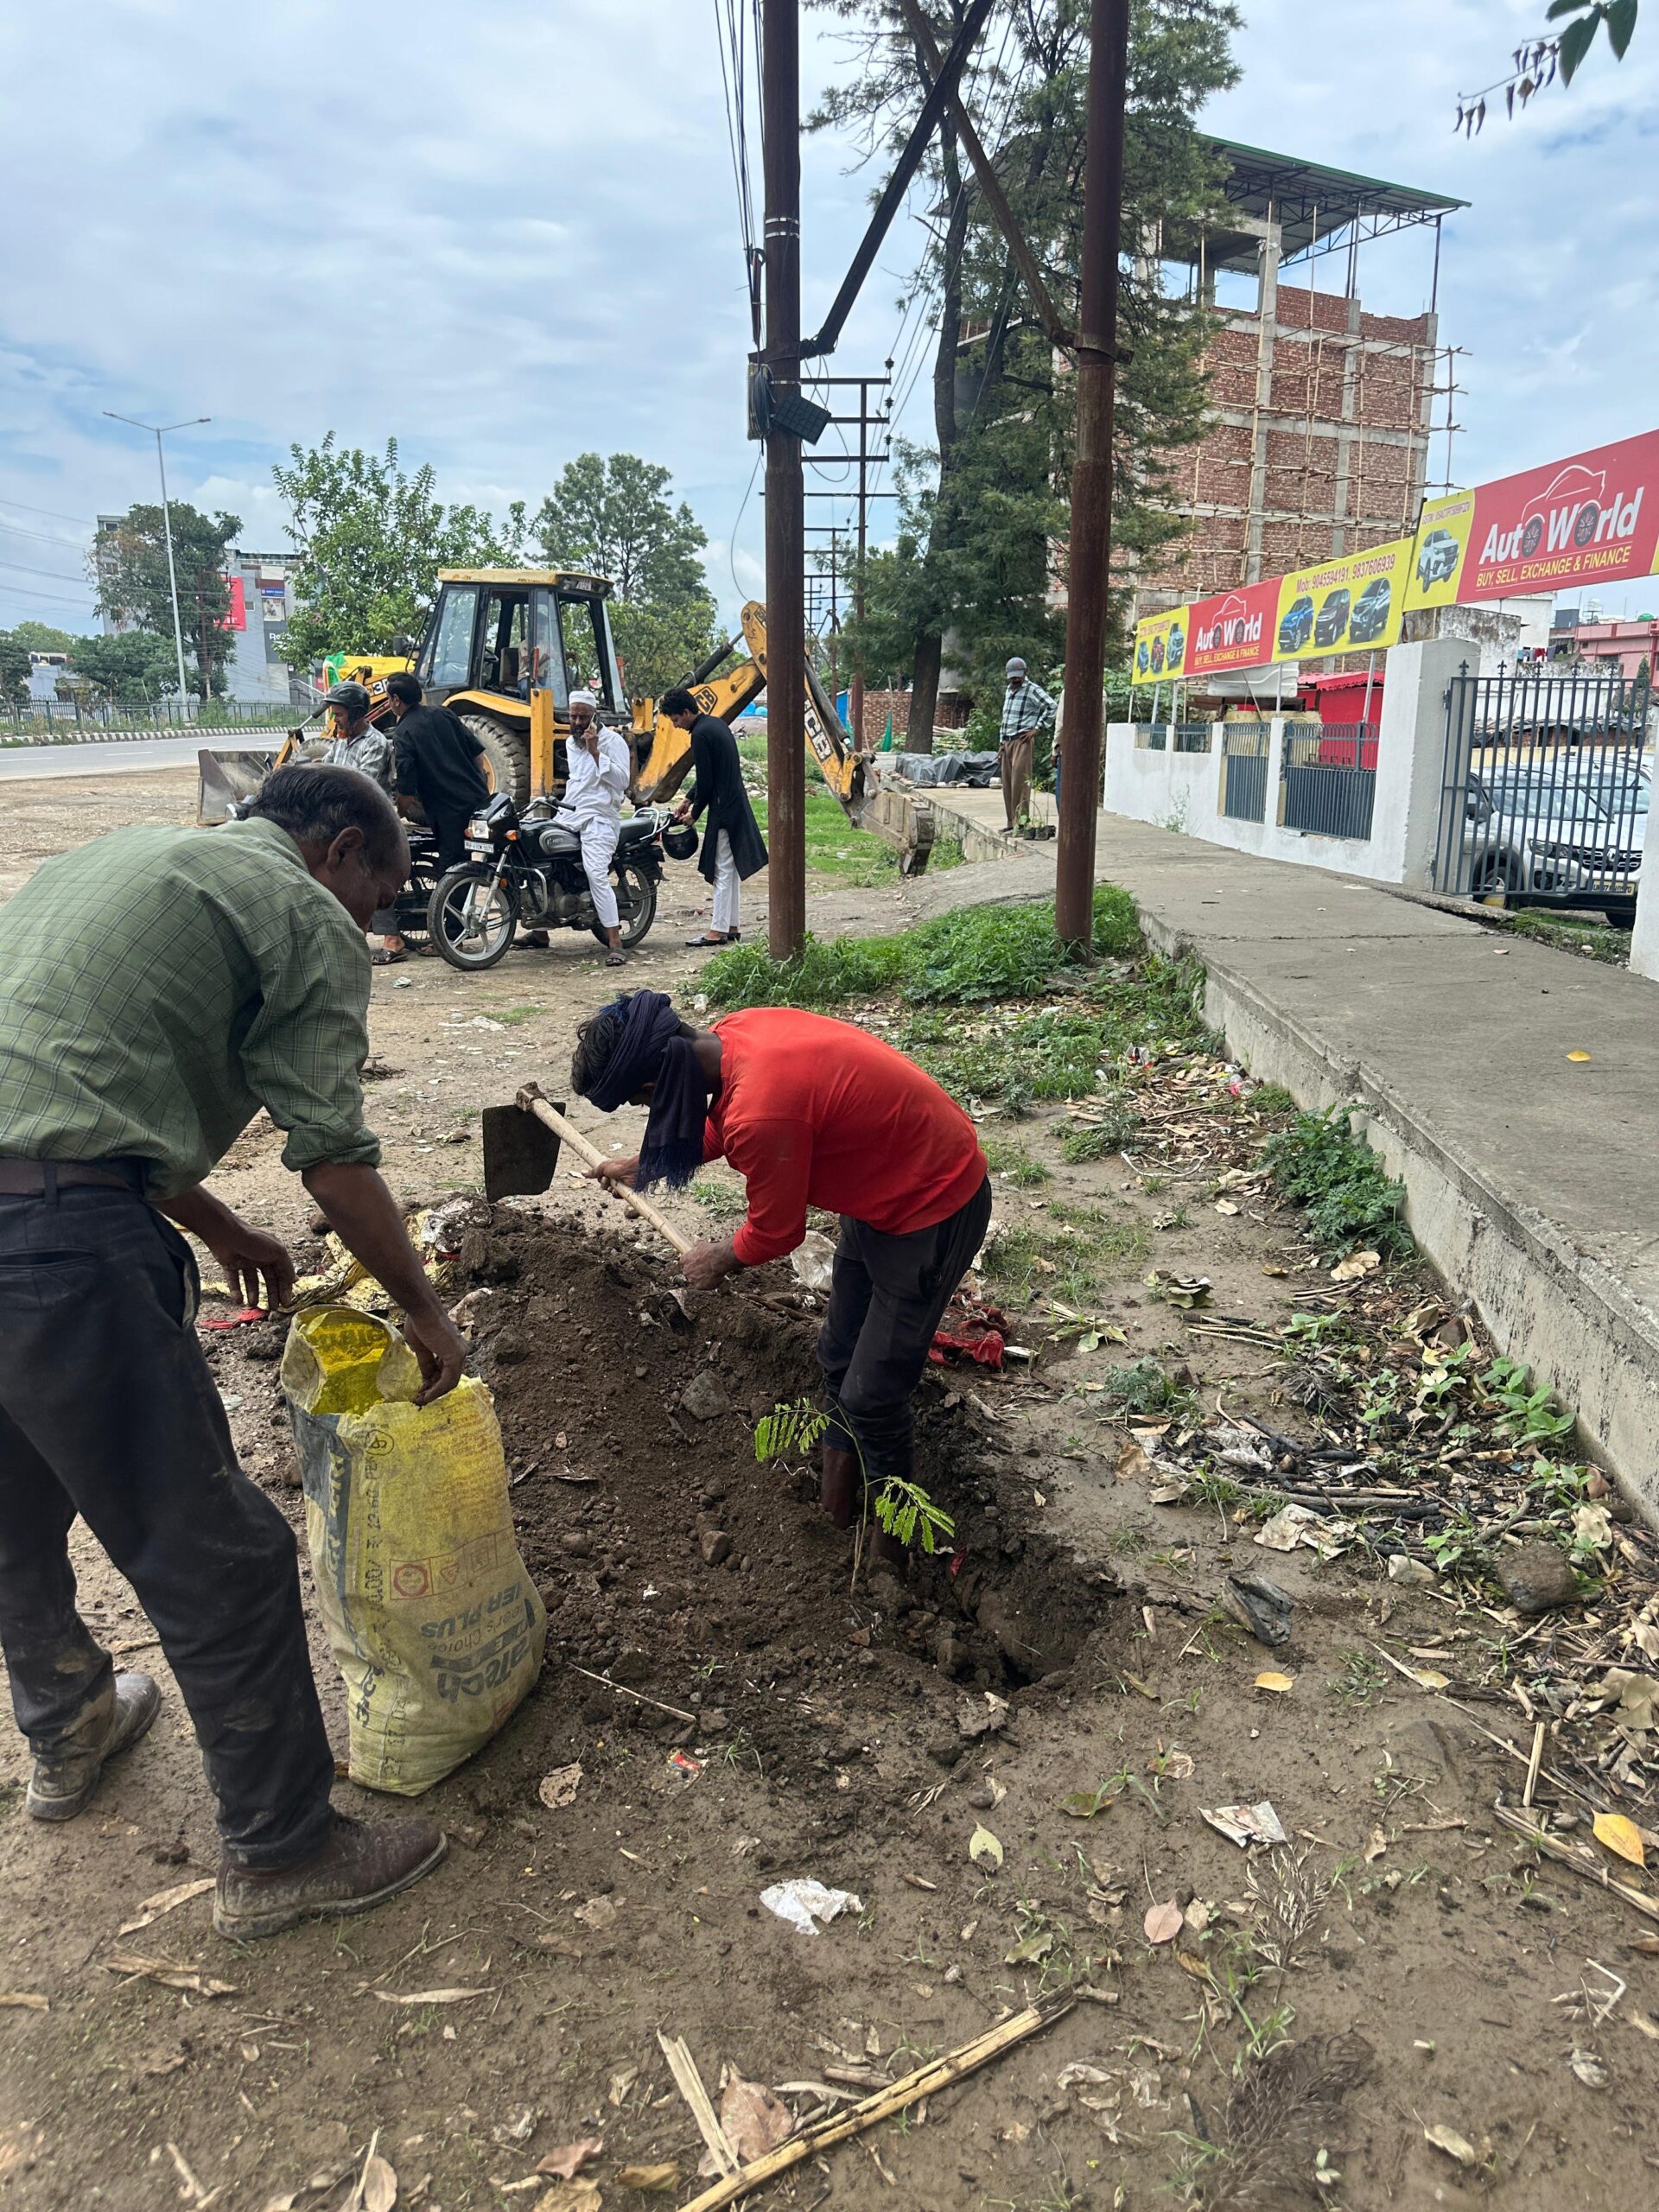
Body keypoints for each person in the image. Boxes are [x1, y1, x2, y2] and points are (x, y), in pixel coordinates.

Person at [0, 764, 469, 1942]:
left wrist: (216, 1225)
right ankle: (284, 1852)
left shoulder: (117, 859)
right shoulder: (303, 910)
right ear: (344, 852)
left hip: (41, 1208)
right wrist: (425, 1308)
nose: (369, 920)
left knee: (9, 1510)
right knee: (221, 1558)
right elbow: (335, 1158)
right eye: (381, 895)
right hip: (56, 1251)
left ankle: (68, 1725)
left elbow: (74, 1094)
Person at [570, 991, 990, 1553]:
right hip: (885, 1187)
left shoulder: (761, 1110)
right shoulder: (733, 1037)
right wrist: (643, 1165)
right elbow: (722, 1127)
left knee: (873, 1398)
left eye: (643, 1106)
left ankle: (894, 1551)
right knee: (839, 1360)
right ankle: (835, 1516)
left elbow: (777, 1232)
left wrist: (718, 1257)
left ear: (656, 1087)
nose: (649, 1115)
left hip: (934, 1206)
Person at [660, 687, 767, 947]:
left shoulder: (699, 734)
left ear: (686, 712)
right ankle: (731, 926)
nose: (676, 725)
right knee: (730, 870)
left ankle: (717, 931)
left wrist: (694, 813)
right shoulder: (716, 725)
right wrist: (688, 798)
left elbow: (707, 780)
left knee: (721, 870)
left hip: (724, 810)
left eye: (676, 719)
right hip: (734, 803)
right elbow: (709, 773)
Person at [321, 679, 406, 964]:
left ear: (357, 713)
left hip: (372, 821)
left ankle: (393, 940)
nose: (335, 719)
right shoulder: (340, 742)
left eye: (340, 713)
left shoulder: (375, 744)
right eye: (334, 713)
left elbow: (361, 785)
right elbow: (326, 770)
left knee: (371, 877)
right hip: (345, 822)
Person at [552, 690, 632, 967]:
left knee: (596, 873)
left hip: (600, 818)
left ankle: (615, 942)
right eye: (572, 716)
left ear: (594, 716)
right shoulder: (571, 743)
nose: (576, 722)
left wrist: (597, 750)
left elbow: (622, 782)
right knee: (540, 857)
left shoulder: (614, 741)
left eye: (582, 717)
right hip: (570, 813)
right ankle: (539, 932)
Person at [384, 671, 491, 874]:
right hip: (477, 801)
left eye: (389, 699)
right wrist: (478, 784)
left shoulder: (403, 732)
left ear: (396, 700)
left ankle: (452, 905)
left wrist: (400, 812)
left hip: (448, 812)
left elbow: (406, 783)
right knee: (472, 859)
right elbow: (477, 754)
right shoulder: (444, 713)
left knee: (452, 869)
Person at [998, 656, 1057, 833]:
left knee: (1020, 782)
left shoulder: (1032, 690)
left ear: (1025, 673)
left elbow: (1052, 706)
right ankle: (1011, 823)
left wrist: (1037, 728)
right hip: (1007, 741)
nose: (1015, 679)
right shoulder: (1009, 690)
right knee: (1007, 782)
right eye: (1012, 676)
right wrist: (1001, 742)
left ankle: (1021, 824)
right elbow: (1006, 717)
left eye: (1018, 676)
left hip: (1022, 740)